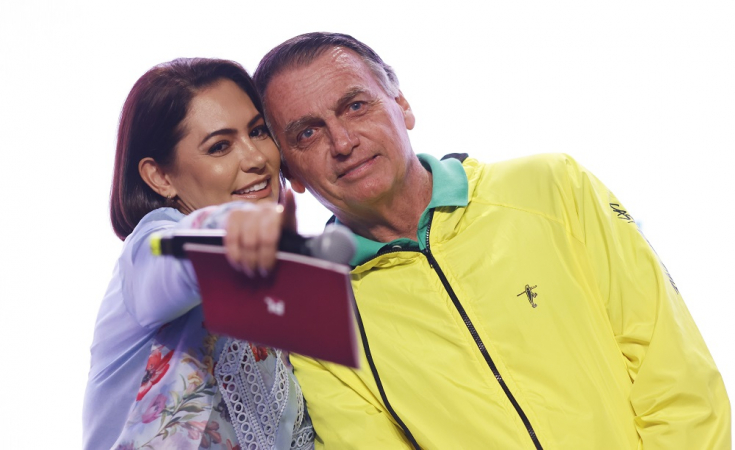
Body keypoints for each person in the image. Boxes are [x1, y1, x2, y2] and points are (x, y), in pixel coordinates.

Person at [252, 32, 731, 449]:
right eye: (308, 133)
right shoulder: (317, 320)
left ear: (402, 105)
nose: (342, 142)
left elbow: (678, 381)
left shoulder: (554, 187)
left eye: (356, 106)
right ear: (291, 172)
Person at [83, 58, 314, 450]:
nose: (255, 158)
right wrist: (230, 232)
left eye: (258, 131)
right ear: (160, 176)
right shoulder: (152, 246)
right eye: (220, 146)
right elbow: (177, 262)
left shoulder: (290, 289)